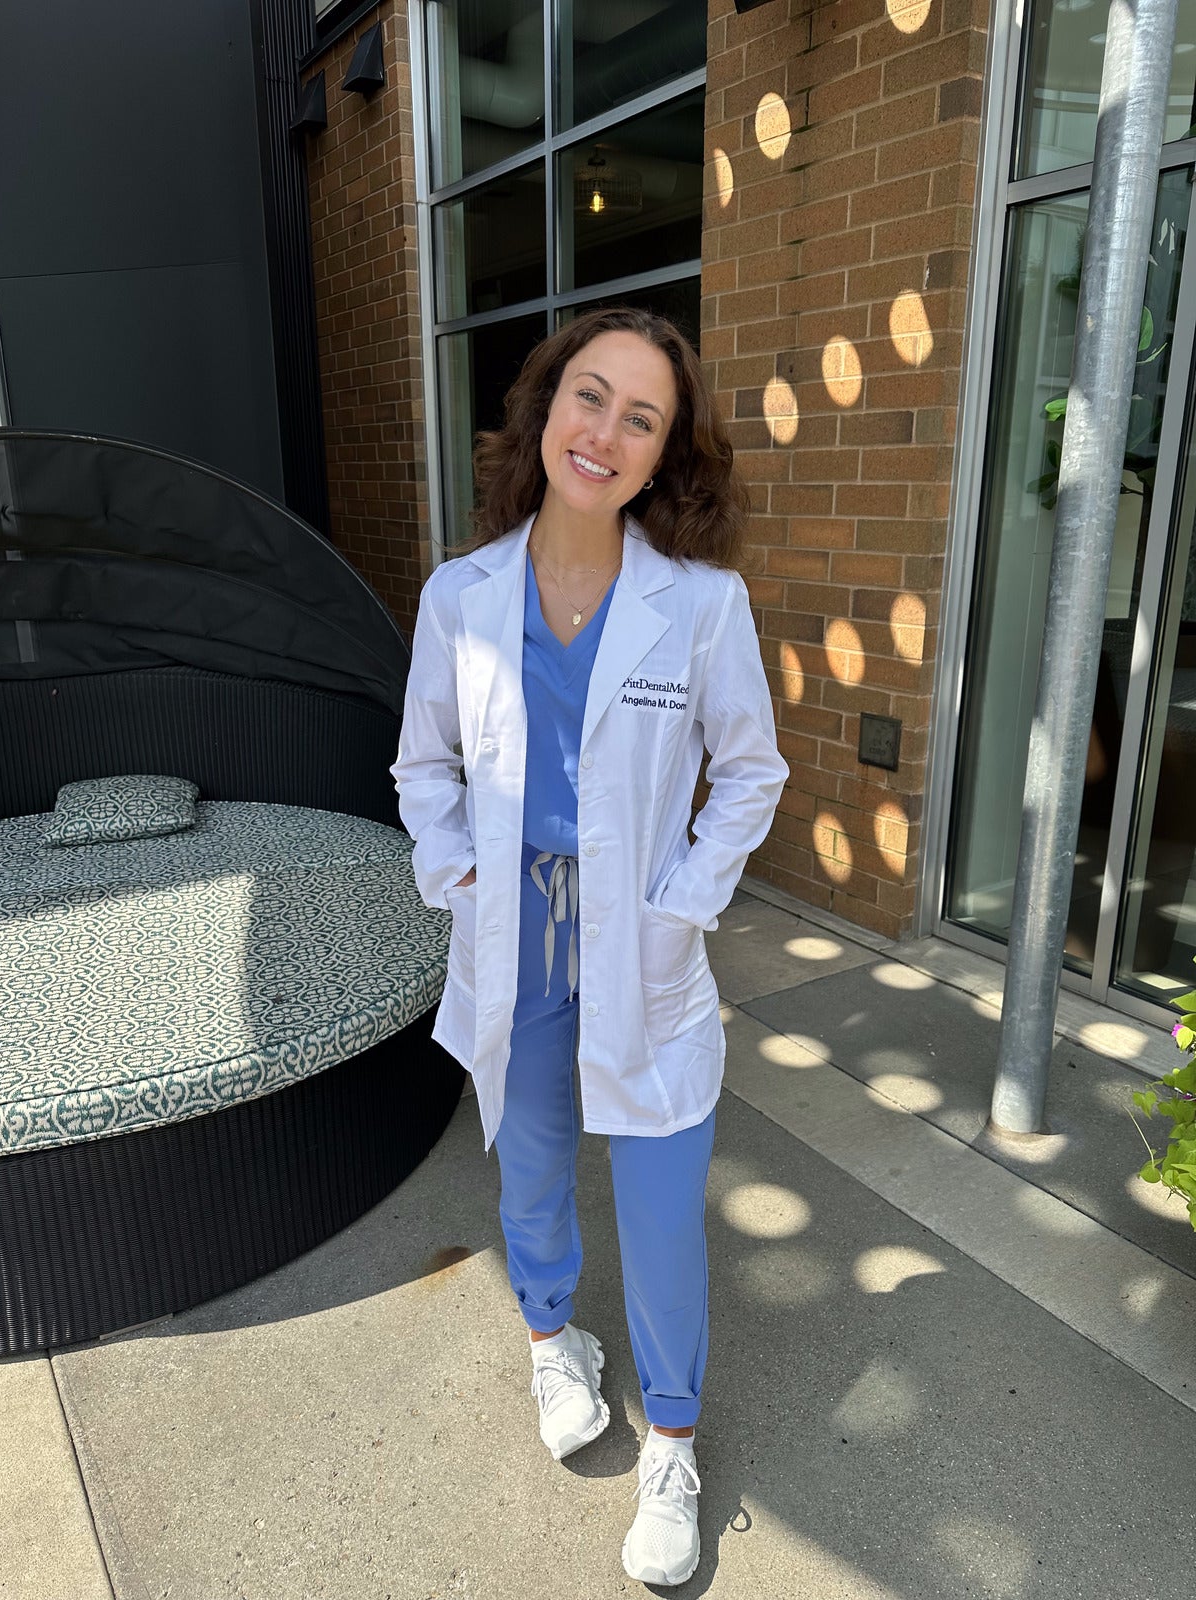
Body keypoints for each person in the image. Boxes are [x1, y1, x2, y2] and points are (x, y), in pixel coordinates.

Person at [391, 306, 787, 1586]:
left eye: (642, 416)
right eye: (588, 395)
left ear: (666, 455)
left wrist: (680, 902)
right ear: (545, 408)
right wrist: (453, 870)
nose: (604, 430)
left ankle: (673, 1439)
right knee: (532, 1174)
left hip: (642, 944)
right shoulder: (461, 595)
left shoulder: (703, 607)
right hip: (514, 930)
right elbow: (423, 764)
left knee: (665, 1208)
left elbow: (751, 773)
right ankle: (554, 1340)